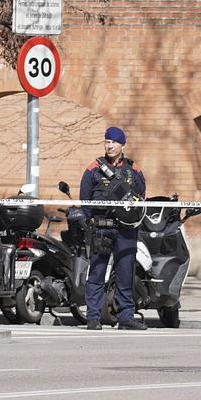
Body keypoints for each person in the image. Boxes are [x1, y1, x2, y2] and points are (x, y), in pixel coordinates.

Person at [80, 126, 147, 331]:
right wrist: (91, 221)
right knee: (97, 273)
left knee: (125, 274)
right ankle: (93, 317)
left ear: (122, 145)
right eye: (107, 142)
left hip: (126, 230)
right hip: (101, 228)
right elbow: (85, 200)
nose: (109, 146)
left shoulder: (133, 170)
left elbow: (140, 198)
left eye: (114, 142)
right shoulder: (93, 168)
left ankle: (126, 317)